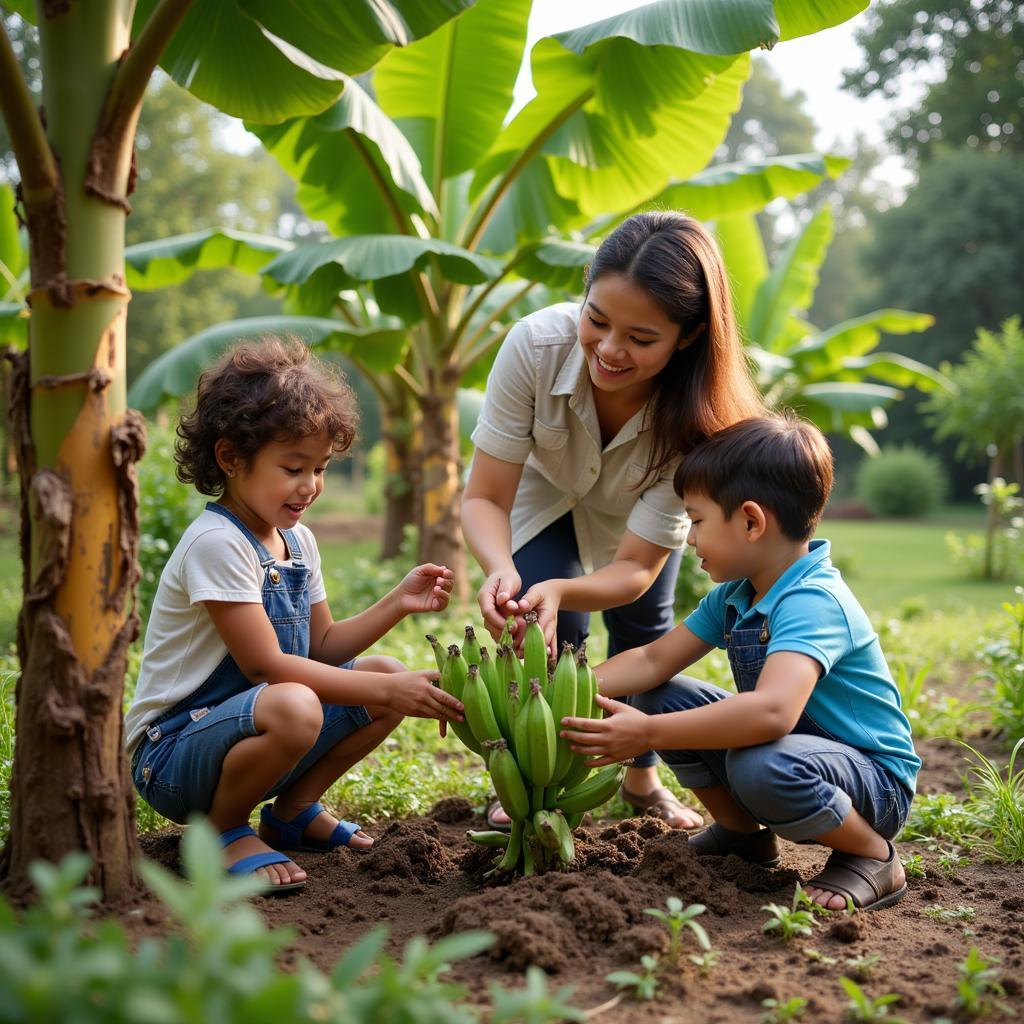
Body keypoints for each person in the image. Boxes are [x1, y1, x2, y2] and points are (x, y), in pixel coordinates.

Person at [125, 339, 463, 894]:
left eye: (320, 468)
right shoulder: (216, 543)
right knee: (302, 701)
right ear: (230, 458)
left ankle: (293, 811)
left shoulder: (297, 541)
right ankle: (220, 829)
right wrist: (393, 693)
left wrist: (397, 603)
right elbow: (266, 667)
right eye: (293, 467)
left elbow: (323, 644)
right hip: (172, 755)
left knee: (377, 672)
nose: (310, 486)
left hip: (253, 728)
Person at [462, 211, 763, 830]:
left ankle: (641, 777)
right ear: (584, 293)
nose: (609, 348)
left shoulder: (698, 417)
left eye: (640, 337)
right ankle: (529, 782)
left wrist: (569, 586)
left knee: (643, 628)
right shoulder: (534, 347)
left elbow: (633, 569)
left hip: (635, 519)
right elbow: (486, 497)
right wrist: (501, 570)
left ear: (687, 335)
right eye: (596, 320)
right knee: (547, 622)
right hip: (541, 492)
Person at [560, 415, 919, 910]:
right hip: (796, 759)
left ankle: (873, 856)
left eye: (698, 521)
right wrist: (560, 688)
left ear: (751, 521)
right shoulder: (737, 594)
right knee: (659, 695)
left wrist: (647, 734)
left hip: (872, 784)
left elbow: (773, 713)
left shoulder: (813, 601)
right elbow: (652, 658)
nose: (689, 538)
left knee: (758, 761)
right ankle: (742, 834)